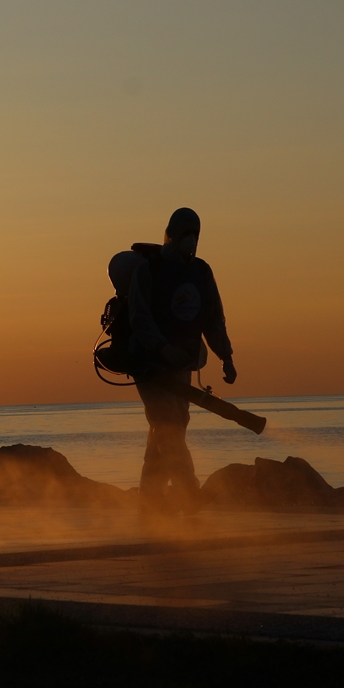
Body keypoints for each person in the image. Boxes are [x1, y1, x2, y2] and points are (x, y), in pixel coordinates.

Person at [128, 208, 236, 516]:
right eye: (186, 234)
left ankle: (149, 502)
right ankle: (190, 494)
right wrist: (162, 348)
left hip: (181, 365)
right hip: (149, 365)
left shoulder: (201, 272)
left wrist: (226, 356)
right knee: (169, 427)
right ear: (172, 235)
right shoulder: (149, 270)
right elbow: (139, 317)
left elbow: (213, 318)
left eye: (195, 235)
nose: (191, 240)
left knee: (167, 430)